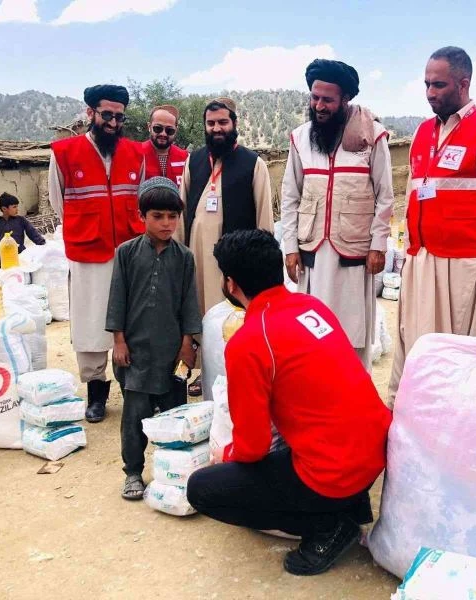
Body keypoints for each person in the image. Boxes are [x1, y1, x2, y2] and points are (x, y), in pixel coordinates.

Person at [186, 229, 391, 576]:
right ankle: (347, 505)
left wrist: (226, 460)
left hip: (333, 472)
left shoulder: (249, 342)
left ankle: (326, 527)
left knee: (202, 489)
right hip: (373, 454)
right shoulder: (310, 306)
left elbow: (252, 447)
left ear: (231, 284)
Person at [388, 46, 476, 401]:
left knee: (464, 352)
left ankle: (462, 420)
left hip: (467, 265)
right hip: (420, 260)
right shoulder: (421, 133)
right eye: (427, 84)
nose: (430, 93)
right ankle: (416, 413)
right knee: (418, 344)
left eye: (439, 85)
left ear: (464, 83)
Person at [281, 59, 394, 371]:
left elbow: (385, 195)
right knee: (311, 335)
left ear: (346, 99)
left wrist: (378, 245)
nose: (319, 105)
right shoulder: (300, 138)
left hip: (354, 257)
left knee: (351, 336)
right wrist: (290, 247)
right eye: (314, 97)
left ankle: (353, 407)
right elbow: (290, 196)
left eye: (327, 99)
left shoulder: (374, 137)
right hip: (312, 256)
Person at [49, 84, 146, 423]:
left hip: (129, 251)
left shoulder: (136, 153)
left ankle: (135, 389)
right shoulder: (63, 152)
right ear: (90, 113)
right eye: (107, 115)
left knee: (133, 321)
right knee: (90, 325)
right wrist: (88, 226)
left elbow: (141, 201)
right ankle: (96, 394)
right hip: (88, 252)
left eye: (119, 117)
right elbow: (58, 203)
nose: (113, 122)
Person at [106, 177, 201, 499]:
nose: (166, 223)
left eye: (172, 217)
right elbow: (117, 297)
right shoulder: (126, 253)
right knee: (135, 417)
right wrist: (118, 340)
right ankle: (133, 472)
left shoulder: (184, 257)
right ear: (142, 217)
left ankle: (174, 472)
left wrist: (188, 342)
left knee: (176, 416)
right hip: (136, 353)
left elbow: (189, 301)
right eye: (158, 216)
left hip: (172, 352)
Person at [178, 97, 273, 396]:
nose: (216, 128)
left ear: (234, 124)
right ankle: (206, 371)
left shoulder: (253, 164)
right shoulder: (194, 161)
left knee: (232, 312)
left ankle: (236, 369)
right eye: (211, 123)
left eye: (222, 122)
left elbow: (264, 216)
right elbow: (181, 211)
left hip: (236, 259)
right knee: (201, 309)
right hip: (197, 254)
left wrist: (262, 261)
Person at [0, 192, 45, 275]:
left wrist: (42, 243)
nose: (17, 209)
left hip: (18, 255)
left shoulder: (21, 220)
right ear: (4, 209)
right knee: (0, 278)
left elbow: (32, 232)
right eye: (14, 207)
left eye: (17, 206)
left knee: (18, 276)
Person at [141, 104, 188, 187]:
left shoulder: (186, 158)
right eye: (158, 128)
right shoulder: (135, 154)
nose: (163, 134)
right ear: (149, 126)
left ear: (176, 130)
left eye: (169, 130)